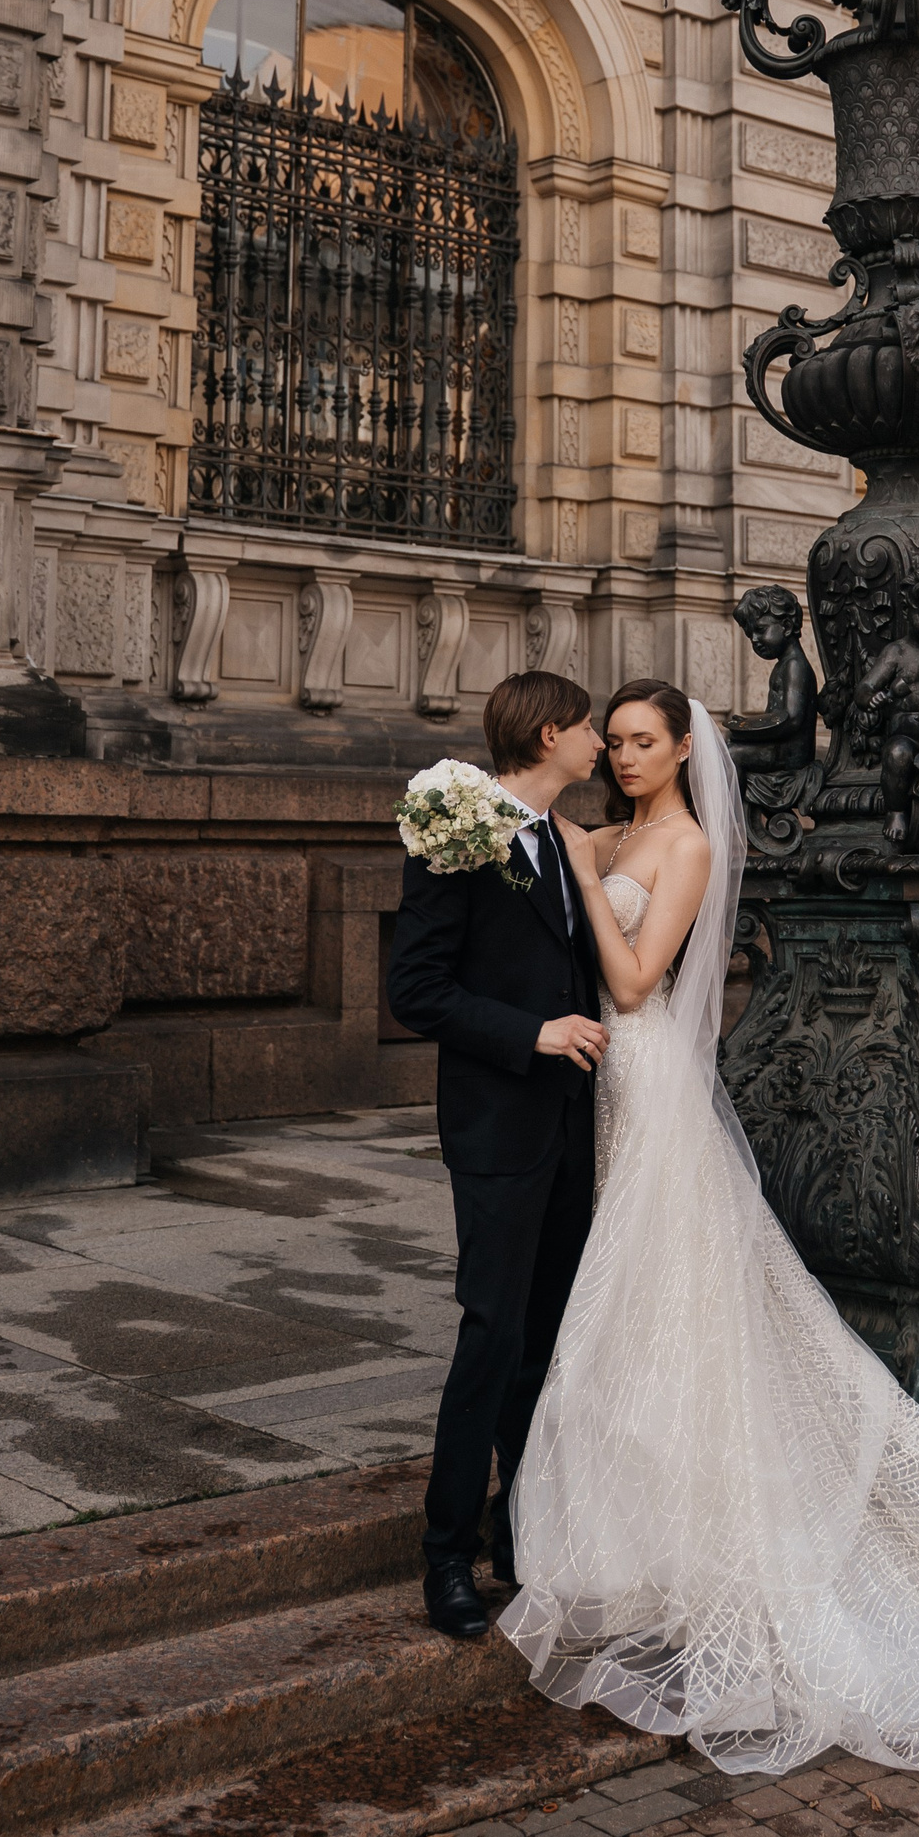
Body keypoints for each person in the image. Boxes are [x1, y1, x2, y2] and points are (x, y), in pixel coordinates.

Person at [497, 679, 919, 1776]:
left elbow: (634, 983)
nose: (626, 757)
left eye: (644, 742)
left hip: (648, 1080)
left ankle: (710, 1537)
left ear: (684, 752)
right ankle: (633, 1525)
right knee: (632, 1297)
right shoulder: (611, 830)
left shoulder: (681, 846)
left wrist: (585, 875)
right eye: (617, 741)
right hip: (597, 1086)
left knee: (662, 1291)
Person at [386, 668, 607, 1643]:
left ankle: (523, 1530)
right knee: (491, 1336)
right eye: (589, 728)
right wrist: (533, 1034)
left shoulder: (564, 838)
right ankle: (447, 1553)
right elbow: (417, 990)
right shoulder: (456, 830)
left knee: (546, 1340)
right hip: (497, 1128)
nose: (599, 743)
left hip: (571, 1128)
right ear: (551, 734)